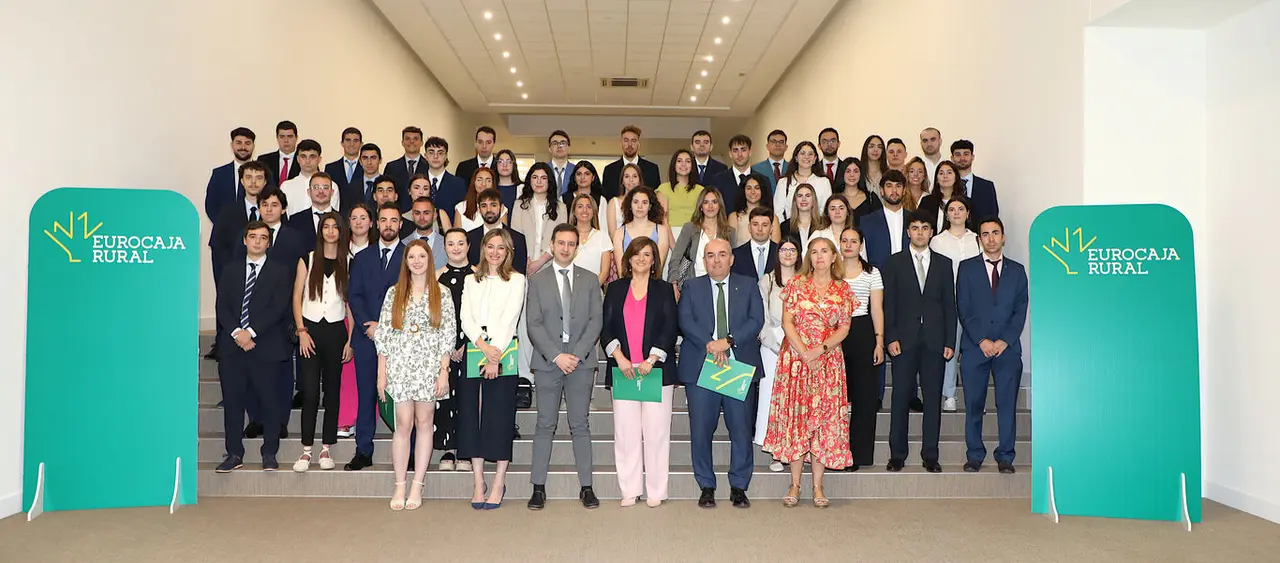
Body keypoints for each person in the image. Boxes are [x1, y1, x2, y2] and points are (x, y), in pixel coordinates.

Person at [763, 236, 856, 507]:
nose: (819, 256)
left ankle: (818, 486)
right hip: (796, 360)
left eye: (824, 251)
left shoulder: (843, 289)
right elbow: (787, 322)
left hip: (828, 361)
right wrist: (805, 351)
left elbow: (844, 327)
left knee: (822, 422)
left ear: (834, 256)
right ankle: (794, 484)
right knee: (798, 421)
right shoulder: (796, 284)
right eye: (814, 252)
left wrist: (820, 350)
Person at [678, 238, 765, 509]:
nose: (716, 260)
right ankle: (706, 485)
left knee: (741, 429)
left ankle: (739, 485)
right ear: (704, 260)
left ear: (732, 259)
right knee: (701, 430)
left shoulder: (748, 284)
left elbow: (756, 319)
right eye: (710, 255)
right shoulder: (691, 286)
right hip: (702, 367)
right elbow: (685, 320)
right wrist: (710, 344)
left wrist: (727, 341)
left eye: (722, 254)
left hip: (738, 367)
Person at [525, 225, 604, 510]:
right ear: (552, 244)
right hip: (548, 361)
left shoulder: (590, 279)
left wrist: (577, 355)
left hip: (581, 362)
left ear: (577, 247)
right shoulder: (537, 280)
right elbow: (533, 323)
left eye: (571, 244)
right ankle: (538, 487)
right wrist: (557, 356)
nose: (566, 248)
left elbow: (596, 321)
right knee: (545, 424)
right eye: (561, 243)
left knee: (580, 424)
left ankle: (587, 487)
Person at [374, 239, 454, 510]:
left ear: (429, 260)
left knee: (424, 423)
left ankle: (418, 484)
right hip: (400, 367)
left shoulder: (442, 293)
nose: (417, 261)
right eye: (412, 257)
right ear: (405, 262)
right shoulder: (394, 293)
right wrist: (381, 374)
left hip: (429, 368)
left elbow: (447, 334)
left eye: (422, 256)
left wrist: (443, 372)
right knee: (403, 424)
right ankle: (400, 484)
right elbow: (384, 335)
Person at [602, 236, 678, 507]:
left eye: (647, 254)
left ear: (654, 259)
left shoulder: (664, 289)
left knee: (656, 433)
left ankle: (656, 491)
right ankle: (630, 489)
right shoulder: (615, 289)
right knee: (626, 434)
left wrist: (652, 358)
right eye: (637, 254)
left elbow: (670, 328)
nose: (641, 259)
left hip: (655, 372)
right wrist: (620, 358)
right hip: (624, 370)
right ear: (628, 259)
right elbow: (606, 327)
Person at [214, 221, 293, 473]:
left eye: (263, 237)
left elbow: (278, 307)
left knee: (270, 402)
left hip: (266, 346)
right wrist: (238, 333)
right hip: (233, 347)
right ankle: (234, 453)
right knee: (233, 403)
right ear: (245, 240)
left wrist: (251, 332)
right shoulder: (231, 270)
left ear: (269, 242)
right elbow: (222, 306)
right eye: (253, 236)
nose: (257, 241)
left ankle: (269, 452)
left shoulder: (280, 271)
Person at [459, 229, 527, 510]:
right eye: (490, 246)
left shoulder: (517, 280)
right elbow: (465, 317)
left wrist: (494, 355)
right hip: (476, 350)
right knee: (472, 417)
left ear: (508, 251)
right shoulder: (470, 280)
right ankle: (478, 481)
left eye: (501, 248)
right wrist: (482, 347)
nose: (495, 252)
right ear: (483, 248)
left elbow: (510, 318)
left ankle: (499, 481)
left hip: (504, 352)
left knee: (499, 418)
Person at [883, 212, 956, 474]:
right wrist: (890, 337)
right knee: (900, 397)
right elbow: (888, 304)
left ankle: (931, 455)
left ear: (931, 232)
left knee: (933, 399)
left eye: (925, 228)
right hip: (903, 341)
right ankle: (897, 455)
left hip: (935, 341)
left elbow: (949, 305)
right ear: (908, 232)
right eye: (915, 228)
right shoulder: (894, 262)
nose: (920, 232)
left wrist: (950, 340)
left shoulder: (944, 264)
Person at [957, 217, 1027, 474]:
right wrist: (982, 340)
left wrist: (1004, 341)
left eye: (995, 233)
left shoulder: (1017, 271)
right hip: (975, 348)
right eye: (985, 234)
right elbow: (964, 308)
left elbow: (1020, 310)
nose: (991, 238)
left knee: (1006, 405)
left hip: (1007, 350)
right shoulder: (966, 268)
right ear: (979, 239)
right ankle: (974, 454)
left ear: (1003, 237)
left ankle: (1006, 455)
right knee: (974, 404)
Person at [344, 203, 406, 471]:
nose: (388, 225)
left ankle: (408, 452)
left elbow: (413, 296)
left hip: (401, 339)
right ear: (376, 224)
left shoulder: (411, 255)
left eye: (394, 220)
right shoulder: (362, 257)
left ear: (401, 224)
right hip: (366, 337)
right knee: (366, 395)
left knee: (402, 398)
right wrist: (367, 326)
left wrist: (387, 326)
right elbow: (354, 295)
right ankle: (363, 450)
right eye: (384, 220)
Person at [291, 212, 352, 473]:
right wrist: (301, 331)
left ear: (341, 231)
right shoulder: (307, 258)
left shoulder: (349, 261)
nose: (330, 231)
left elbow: (350, 305)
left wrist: (350, 341)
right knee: (310, 392)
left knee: (332, 391)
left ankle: (326, 447)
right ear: (320, 231)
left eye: (335, 227)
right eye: (326, 226)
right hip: (310, 330)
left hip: (336, 332)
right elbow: (296, 297)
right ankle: (306, 450)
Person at [839, 227, 885, 471]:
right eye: (844, 241)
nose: (848, 245)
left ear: (861, 245)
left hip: (863, 331)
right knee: (834, 398)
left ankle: (859, 455)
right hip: (834, 334)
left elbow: (877, 309)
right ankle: (834, 452)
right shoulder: (830, 271)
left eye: (853, 241)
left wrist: (879, 342)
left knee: (864, 398)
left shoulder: (872, 272)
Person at [930, 197, 981, 412]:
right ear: (946, 214)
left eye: (961, 209)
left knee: (975, 351)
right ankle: (949, 394)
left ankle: (975, 397)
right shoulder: (937, 241)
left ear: (968, 213)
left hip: (975, 303)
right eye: (952, 209)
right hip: (948, 302)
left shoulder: (977, 239)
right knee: (950, 348)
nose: (956, 213)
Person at [756, 234, 801, 472]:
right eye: (784, 249)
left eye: (792, 250)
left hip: (801, 348)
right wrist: (775, 344)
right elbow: (761, 318)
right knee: (771, 398)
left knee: (797, 400)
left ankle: (798, 449)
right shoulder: (767, 281)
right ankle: (776, 451)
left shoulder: (806, 280)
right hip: (772, 346)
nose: (788, 254)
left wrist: (799, 345)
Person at [434, 228, 474, 471]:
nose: (456, 248)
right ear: (445, 247)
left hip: (473, 346)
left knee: (468, 399)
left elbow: (483, 315)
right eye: (451, 243)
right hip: (444, 349)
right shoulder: (436, 278)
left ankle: (466, 450)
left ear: (468, 246)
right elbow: (434, 317)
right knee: (446, 397)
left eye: (460, 243)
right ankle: (448, 449)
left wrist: (466, 344)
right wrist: (448, 348)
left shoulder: (479, 276)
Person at [336, 203, 372, 438]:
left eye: (363, 217)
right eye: (354, 218)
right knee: (348, 372)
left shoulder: (377, 250)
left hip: (372, 319)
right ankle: (347, 419)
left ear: (371, 222)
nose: (358, 222)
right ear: (348, 223)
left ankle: (367, 418)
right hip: (344, 315)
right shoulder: (340, 251)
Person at [211, 160, 267, 304]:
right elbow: (218, 247)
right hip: (233, 277)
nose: (253, 183)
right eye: (248, 177)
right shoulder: (226, 212)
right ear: (241, 181)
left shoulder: (272, 212)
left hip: (265, 279)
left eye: (259, 178)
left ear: (265, 182)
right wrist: (234, 270)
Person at [668, 187, 734, 289]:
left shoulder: (730, 232)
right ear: (701, 207)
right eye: (706, 202)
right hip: (693, 285)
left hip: (720, 286)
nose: (710, 206)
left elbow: (732, 263)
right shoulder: (689, 228)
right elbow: (675, 258)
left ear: (720, 206)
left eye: (714, 202)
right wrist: (673, 283)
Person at [466, 189, 529, 274]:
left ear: (502, 208)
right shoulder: (469, 238)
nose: (489, 210)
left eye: (493, 205)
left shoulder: (517, 238)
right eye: (484, 206)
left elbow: (520, 272)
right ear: (479, 209)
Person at [612, 186, 671, 276]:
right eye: (636, 202)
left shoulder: (661, 231)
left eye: (644, 202)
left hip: (653, 281)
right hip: (627, 282)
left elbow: (658, 268)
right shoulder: (619, 233)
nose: (640, 206)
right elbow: (621, 271)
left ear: (650, 206)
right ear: (630, 205)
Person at [860, 170, 910, 269]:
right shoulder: (867, 222)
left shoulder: (914, 220)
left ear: (904, 190)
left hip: (908, 275)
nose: (894, 190)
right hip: (877, 276)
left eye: (898, 186)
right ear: (881, 190)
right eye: (889, 186)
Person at [204, 126, 255, 224]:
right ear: (232, 145)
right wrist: (224, 226)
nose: (243, 147)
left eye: (247, 143)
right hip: (225, 229)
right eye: (239, 143)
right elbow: (210, 206)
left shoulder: (264, 173)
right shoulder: (219, 174)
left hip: (257, 230)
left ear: (253, 146)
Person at [774, 141, 831, 222]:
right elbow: (778, 212)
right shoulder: (783, 182)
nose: (806, 157)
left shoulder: (824, 182)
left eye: (810, 154)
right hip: (789, 227)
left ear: (815, 159)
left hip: (817, 228)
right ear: (796, 158)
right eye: (802, 153)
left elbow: (826, 211)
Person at [281, 139, 340, 215]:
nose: (307, 161)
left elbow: (333, 216)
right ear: (298, 159)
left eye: (312, 157)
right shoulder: (286, 186)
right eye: (303, 156)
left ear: (319, 159)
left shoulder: (331, 186)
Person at [601, 124, 661, 198]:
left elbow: (655, 198)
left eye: (633, 141)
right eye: (626, 140)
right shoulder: (610, 170)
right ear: (621, 143)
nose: (630, 145)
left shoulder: (652, 169)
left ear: (638, 144)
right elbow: (606, 198)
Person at [287, 170, 338, 254]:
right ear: (309, 192)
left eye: (325, 187)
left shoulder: (342, 219)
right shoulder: (295, 220)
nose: (321, 191)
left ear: (332, 192)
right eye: (316, 187)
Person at [950, 139, 1000, 222]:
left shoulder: (987, 186)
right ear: (952, 158)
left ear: (972, 157)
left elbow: (993, 215)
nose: (962, 158)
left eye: (966, 154)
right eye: (958, 155)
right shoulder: (947, 185)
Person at [569, 194, 613, 286]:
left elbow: (605, 272)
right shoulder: (566, 235)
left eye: (589, 207)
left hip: (594, 289)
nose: (584, 210)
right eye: (580, 206)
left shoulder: (602, 236)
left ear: (594, 212)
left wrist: (591, 290)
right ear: (574, 212)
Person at [655, 149, 704, 226]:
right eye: (679, 161)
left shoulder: (700, 190)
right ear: (674, 165)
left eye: (688, 161)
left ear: (692, 166)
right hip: (669, 231)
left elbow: (703, 217)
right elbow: (663, 219)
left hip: (695, 231)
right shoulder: (663, 189)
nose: (683, 164)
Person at [727, 174, 779, 247]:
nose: (753, 192)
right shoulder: (734, 217)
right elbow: (730, 247)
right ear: (743, 191)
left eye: (757, 188)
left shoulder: (773, 217)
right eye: (749, 188)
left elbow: (776, 249)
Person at [422, 136, 468, 216]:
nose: (435, 156)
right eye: (431, 152)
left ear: (446, 156)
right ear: (425, 156)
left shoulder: (458, 184)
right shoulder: (417, 182)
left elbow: (461, 214)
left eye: (440, 153)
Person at [918, 160, 966, 233]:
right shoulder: (927, 202)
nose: (945, 176)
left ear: (956, 177)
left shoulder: (965, 202)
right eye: (941, 173)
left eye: (949, 173)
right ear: (937, 179)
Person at [730, 207, 778, 279]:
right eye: (755, 224)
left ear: (771, 228)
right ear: (749, 227)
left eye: (764, 225)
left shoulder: (780, 252)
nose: (760, 229)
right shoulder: (736, 254)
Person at [323, 127, 364, 210]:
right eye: (348, 140)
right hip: (337, 214)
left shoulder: (366, 168)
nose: (352, 144)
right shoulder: (331, 168)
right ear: (342, 143)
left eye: (355, 140)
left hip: (360, 213)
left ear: (361, 144)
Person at [455, 167, 508, 232]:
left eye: (488, 180)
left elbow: (503, 234)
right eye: (479, 180)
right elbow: (457, 235)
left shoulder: (500, 207)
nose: (483, 184)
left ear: (493, 184)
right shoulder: (461, 207)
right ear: (473, 182)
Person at [402, 197, 447, 269]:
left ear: (435, 215)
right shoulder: (403, 244)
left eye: (426, 213)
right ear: (412, 216)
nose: (422, 217)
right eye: (417, 213)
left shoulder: (446, 244)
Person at [383, 126, 425, 197]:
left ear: (421, 143)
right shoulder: (391, 167)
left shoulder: (429, 166)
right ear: (402, 142)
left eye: (415, 139)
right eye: (408, 139)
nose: (411, 142)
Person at [257, 120, 300, 187]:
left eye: (290, 136)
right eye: (282, 137)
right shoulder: (264, 161)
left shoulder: (304, 161)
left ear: (296, 138)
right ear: (277, 138)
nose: (286, 140)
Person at [547, 130, 575, 197]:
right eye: (555, 143)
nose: (559, 146)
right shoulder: (542, 170)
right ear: (549, 149)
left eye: (563, 143)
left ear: (569, 147)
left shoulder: (576, 170)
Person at [493, 148, 521, 215]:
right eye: (501, 162)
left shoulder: (523, 188)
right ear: (496, 165)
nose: (505, 165)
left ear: (514, 165)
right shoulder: (490, 188)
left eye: (509, 162)